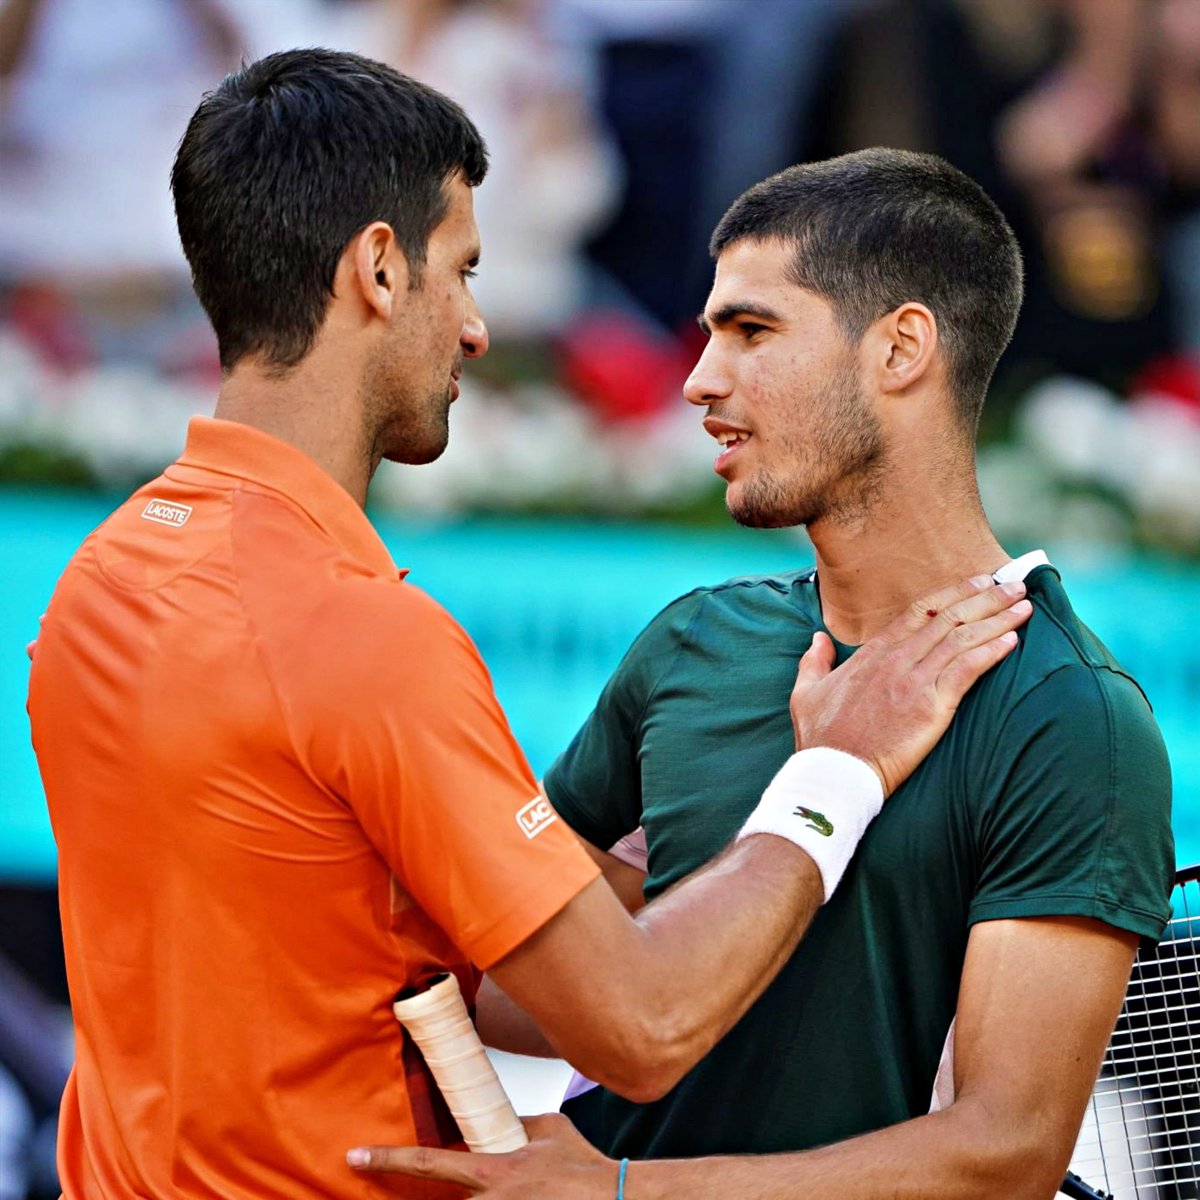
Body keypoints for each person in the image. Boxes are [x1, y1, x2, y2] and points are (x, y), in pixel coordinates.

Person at [25, 55, 1029, 1200]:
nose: (476, 327)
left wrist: (692, 868)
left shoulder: (99, 581)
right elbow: (640, 1029)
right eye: (462, 272)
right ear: (379, 269)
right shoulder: (357, 636)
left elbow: (366, 929)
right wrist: (838, 770)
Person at [349, 150, 1176, 1198]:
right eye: (706, 337)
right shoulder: (693, 640)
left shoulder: (1075, 720)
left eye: (751, 331)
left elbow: (1006, 1152)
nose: (699, 380)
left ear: (902, 348)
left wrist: (620, 1194)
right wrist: (652, 909)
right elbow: (510, 991)